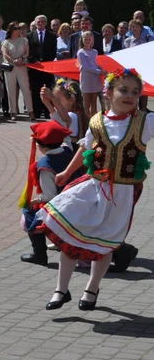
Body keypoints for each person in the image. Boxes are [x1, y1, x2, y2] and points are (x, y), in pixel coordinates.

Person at [40, 70, 151, 311]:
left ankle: (92, 288)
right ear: (109, 93)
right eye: (124, 90)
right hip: (93, 186)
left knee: (105, 242)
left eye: (135, 92)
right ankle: (61, 289)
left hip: (123, 192)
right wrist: (67, 173)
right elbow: (85, 149)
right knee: (71, 231)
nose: (130, 96)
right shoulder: (97, 120)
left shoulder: (145, 121)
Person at [19, 122, 79, 266]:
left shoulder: (46, 165)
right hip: (79, 199)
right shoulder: (68, 151)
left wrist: (36, 199)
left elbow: (50, 196)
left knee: (29, 213)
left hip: (65, 206)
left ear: (40, 146)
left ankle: (40, 255)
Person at [2, 23, 34, 120]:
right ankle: (13, 112)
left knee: (26, 90)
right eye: (16, 28)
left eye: (19, 28)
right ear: (11, 30)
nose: (18, 30)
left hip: (22, 66)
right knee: (11, 90)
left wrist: (20, 59)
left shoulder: (24, 40)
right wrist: (13, 60)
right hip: (10, 68)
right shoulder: (6, 42)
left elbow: (27, 52)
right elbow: (5, 54)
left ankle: (30, 111)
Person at [28, 16, 57, 119]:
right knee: (35, 90)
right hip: (35, 67)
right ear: (35, 23)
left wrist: (45, 62)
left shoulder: (52, 36)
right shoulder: (30, 35)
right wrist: (35, 61)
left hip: (47, 67)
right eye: (38, 22)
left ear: (46, 23)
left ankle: (48, 111)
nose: (40, 23)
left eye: (42, 22)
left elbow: (53, 51)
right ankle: (36, 111)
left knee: (48, 89)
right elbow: (28, 51)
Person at [77, 30, 106, 121]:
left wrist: (100, 68)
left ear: (92, 40)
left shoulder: (94, 51)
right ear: (82, 40)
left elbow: (94, 64)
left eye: (89, 39)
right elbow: (86, 67)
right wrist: (99, 72)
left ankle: (94, 121)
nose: (87, 41)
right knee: (86, 102)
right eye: (85, 39)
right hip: (86, 78)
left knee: (94, 102)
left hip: (95, 78)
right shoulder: (81, 52)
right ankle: (86, 121)